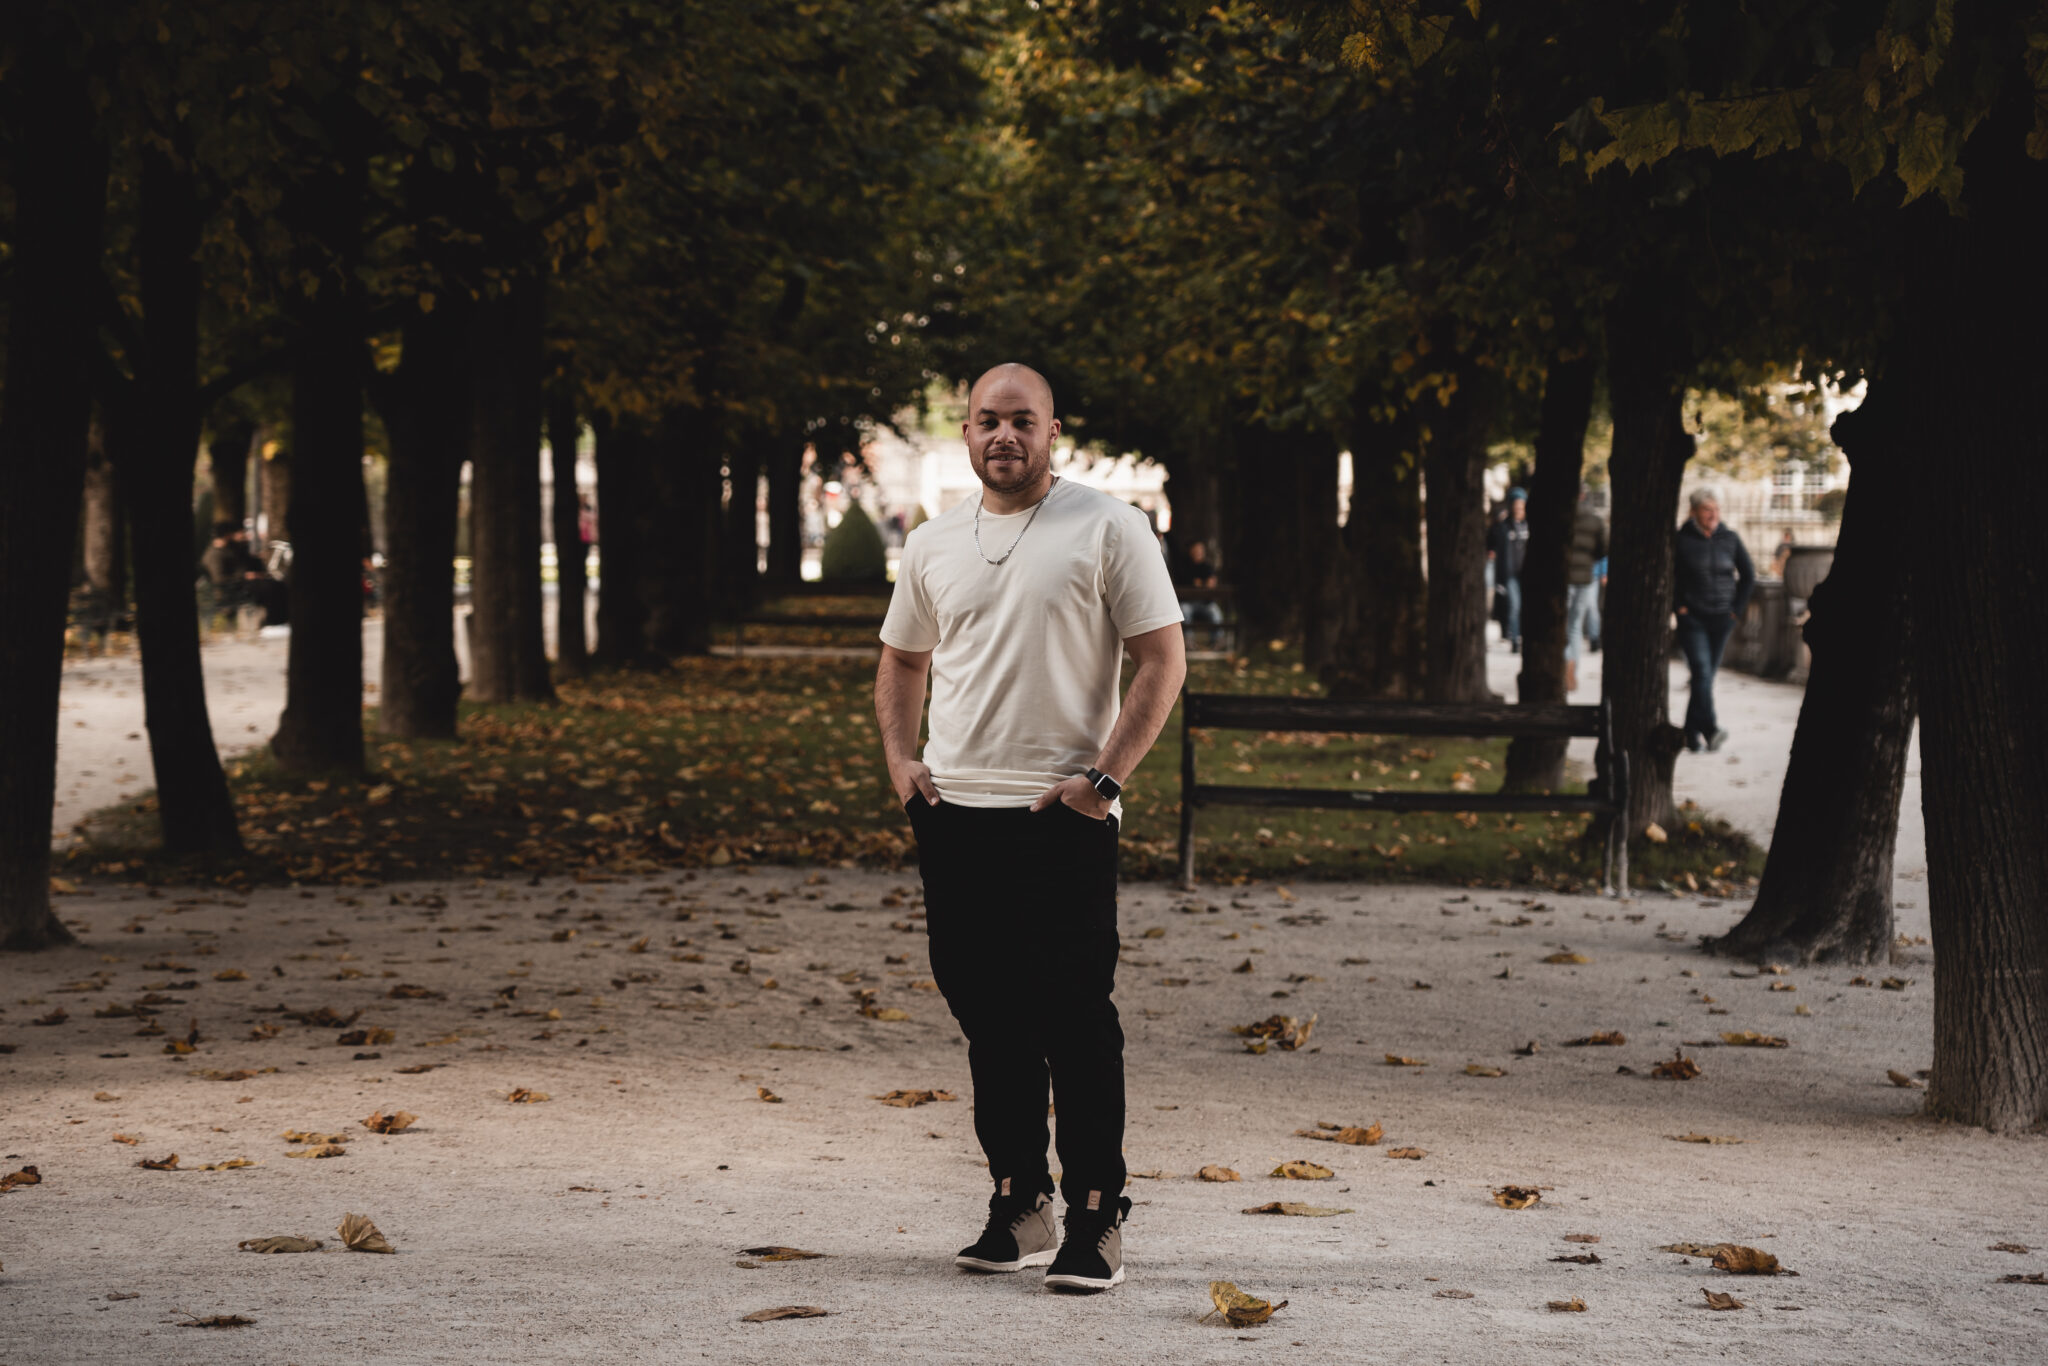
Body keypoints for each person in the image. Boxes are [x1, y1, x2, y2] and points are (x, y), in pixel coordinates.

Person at [875, 362, 1186, 1294]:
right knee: (987, 1016)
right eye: (986, 421)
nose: (1003, 436)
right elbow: (900, 662)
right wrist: (903, 764)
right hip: (955, 813)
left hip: (1062, 814)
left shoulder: (1108, 527)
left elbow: (1162, 661)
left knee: (1073, 1016)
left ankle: (1096, 1211)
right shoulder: (933, 543)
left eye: (1022, 421)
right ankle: (1020, 1198)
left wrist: (1105, 780)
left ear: (1054, 431)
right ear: (965, 434)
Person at [1673, 487, 1756, 753]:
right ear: (1694, 511)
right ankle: (1709, 728)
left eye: (1716, 509)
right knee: (1702, 672)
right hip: (1693, 618)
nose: (1713, 515)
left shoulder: (1729, 538)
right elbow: (1670, 576)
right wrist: (1679, 607)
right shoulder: (1681, 540)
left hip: (1722, 619)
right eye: (1707, 510)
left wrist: (1736, 610)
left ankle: (1690, 733)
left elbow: (1748, 575)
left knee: (1704, 678)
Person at [1563, 482, 1608, 693]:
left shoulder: (1561, 517)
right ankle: (1574, 668)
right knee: (1575, 626)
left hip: (1563, 578)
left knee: (1562, 624)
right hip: (1584, 578)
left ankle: (1565, 663)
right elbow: (1603, 549)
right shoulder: (1594, 520)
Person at [1486, 486, 1530, 652]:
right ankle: (1515, 639)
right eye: (1516, 506)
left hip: (1526, 573)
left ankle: (1525, 636)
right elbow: (1491, 543)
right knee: (1514, 606)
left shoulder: (1530, 525)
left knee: (1526, 606)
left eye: (1521, 506)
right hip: (1510, 573)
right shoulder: (1503, 527)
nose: (1518, 509)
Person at [1175, 537, 1224, 650]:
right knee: (1184, 610)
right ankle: (1188, 641)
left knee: (1215, 612)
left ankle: (1218, 640)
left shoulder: (1207, 566)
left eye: (1200, 549)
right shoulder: (1183, 566)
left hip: (1205, 603)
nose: (1198, 552)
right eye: (1196, 549)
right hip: (1188, 602)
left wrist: (1200, 583)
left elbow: (1211, 583)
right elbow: (1185, 581)